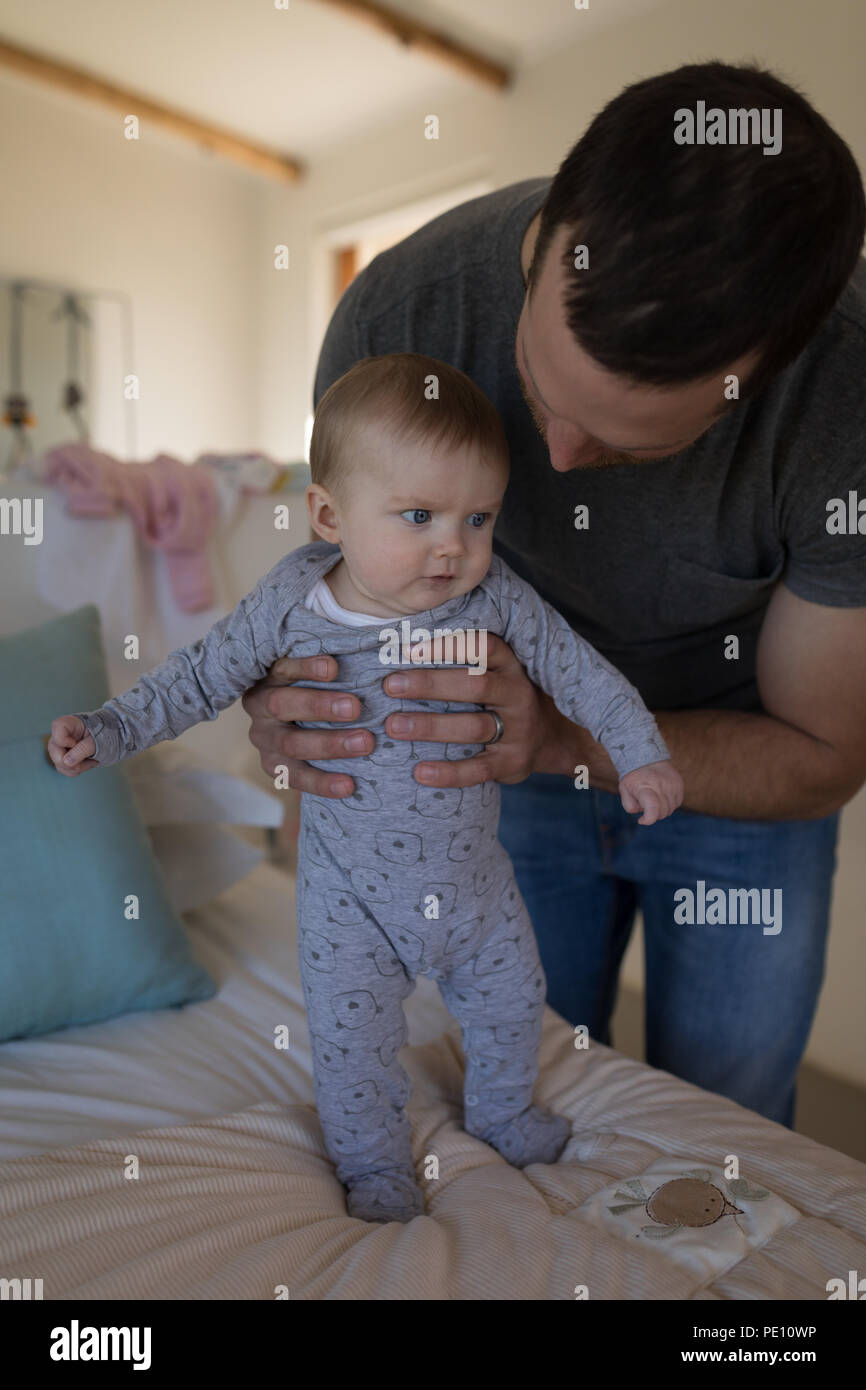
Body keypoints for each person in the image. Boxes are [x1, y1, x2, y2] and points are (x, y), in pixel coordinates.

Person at [241, 61, 866, 1128]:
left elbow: (821, 755)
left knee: (725, 1128)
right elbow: (334, 602)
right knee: (514, 1087)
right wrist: (290, 711)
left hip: (736, 777)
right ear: (545, 239)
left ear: (761, 376)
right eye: (539, 391)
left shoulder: (842, 402)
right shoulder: (402, 315)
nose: (558, 462)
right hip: (493, 773)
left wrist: (559, 741)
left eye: (631, 445)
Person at [47, 353, 683, 1222]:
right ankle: (374, 1166)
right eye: (418, 515)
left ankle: (501, 1115)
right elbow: (190, 681)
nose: (452, 545)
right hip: (351, 895)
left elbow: (581, 671)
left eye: (478, 517)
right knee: (353, 1046)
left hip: (475, 886)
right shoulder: (291, 603)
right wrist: (111, 728)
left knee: (513, 1004)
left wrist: (639, 753)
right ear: (328, 515)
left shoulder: (493, 595)